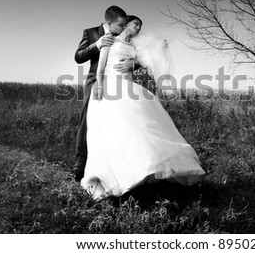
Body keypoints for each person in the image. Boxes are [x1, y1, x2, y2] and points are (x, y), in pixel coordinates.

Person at [81, 15, 205, 199]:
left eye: (140, 26)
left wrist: (159, 48)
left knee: (140, 128)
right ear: (126, 24)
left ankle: (142, 169)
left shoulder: (133, 48)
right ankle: (113, 176)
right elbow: (101, 68)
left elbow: (148, 60)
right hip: (109, 89)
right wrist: (98, 85)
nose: (138, 28)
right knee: (112, 132)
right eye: (135, 24)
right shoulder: (110, 41)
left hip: (128, 89)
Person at [73, 5, 135, 182]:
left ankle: (114, 166)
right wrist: (97, 44)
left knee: (117, 124)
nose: (123, 28)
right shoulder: (91, 32)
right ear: (109, 22)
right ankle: (80, 165)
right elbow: (78, 56)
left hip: (118, 84)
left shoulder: (122, 37)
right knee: (87, 122)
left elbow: (132, 56)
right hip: (96, 82)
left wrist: (133, 64)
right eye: (120, 25)